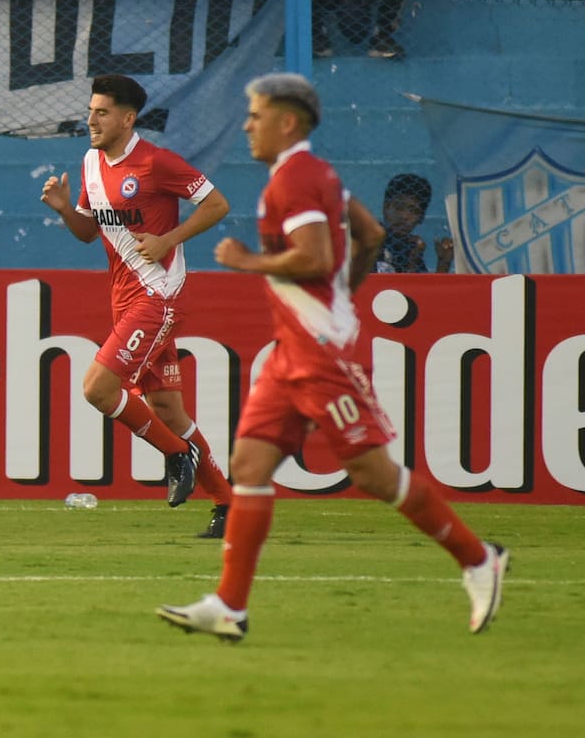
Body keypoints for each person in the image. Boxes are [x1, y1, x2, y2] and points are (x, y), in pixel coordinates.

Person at [156, 73, 509, 641]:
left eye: (256, 114)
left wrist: (249, 262)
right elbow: (367, 235)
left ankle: (477, 560)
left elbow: (315, 256)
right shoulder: (317, 176)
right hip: (292, 354)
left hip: (321, 355)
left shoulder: (293, 180)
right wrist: (343, 296)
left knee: (372, 473)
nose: (248, 124)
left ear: (287, 122)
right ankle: (230, 604)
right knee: (249, 466)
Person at [40, 73, 234, 539]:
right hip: (124, 300)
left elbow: (217, 205)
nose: (91, 120)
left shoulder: (156, 162)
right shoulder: (90, 164)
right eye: (90, 110)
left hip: (158, 298)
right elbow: (89, 232)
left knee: (97, 388)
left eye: (102, 112)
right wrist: (66, 209)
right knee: (168, 409)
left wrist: (169, 238)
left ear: (127, 119)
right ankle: (228, 505)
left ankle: (175, 455)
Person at [374, 173, 453, 273]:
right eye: (399, 207)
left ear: (421, 218)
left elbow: (422, 288)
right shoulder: (369, 241)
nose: (404, 216)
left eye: (413, 211)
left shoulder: (411, 248)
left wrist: (443, 263)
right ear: (385, 207)